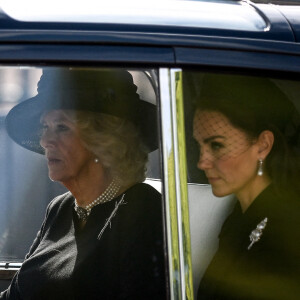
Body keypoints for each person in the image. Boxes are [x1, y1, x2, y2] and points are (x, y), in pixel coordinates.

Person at [1, 68, 166, 299]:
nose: (45, 140)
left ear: (102, 140)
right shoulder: (60, 208)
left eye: (62, 127)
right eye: (45, 127)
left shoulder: (141, 209)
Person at [192, 73, 300, 299]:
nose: (202, 162)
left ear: (263, 145)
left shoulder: (289, 226)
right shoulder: (237, 218)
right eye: (200, 145)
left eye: (217, 145)